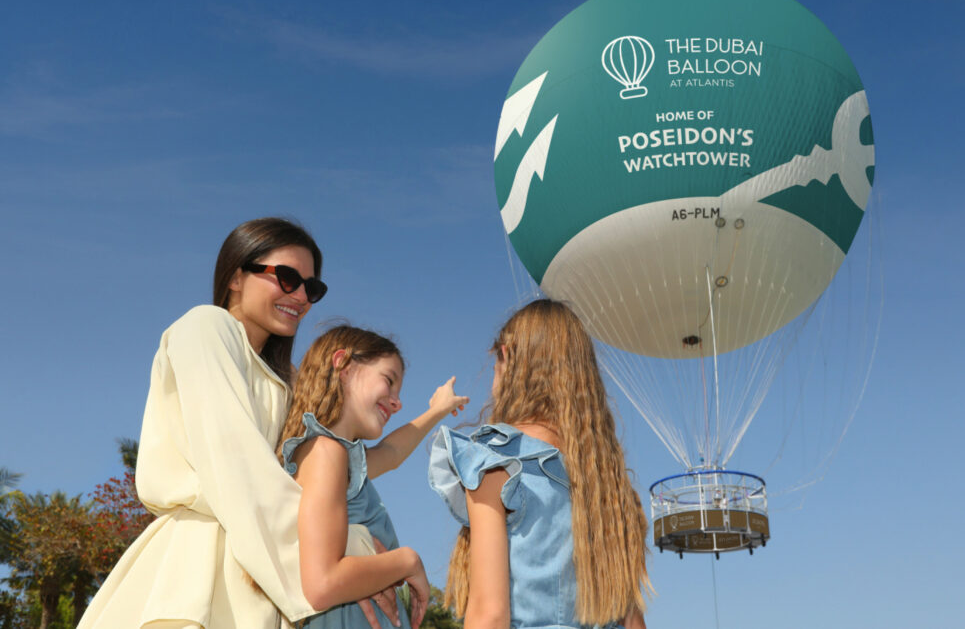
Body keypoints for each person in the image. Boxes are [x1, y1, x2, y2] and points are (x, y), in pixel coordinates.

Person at [78, 217, 391, 629]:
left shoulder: (288, 384)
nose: (300, 296)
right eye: (286, 278)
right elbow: (237, 466)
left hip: (262, 580)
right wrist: (339, 547)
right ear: (236, 277)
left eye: (311, 288)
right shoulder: (206, 327)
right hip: (197, 572)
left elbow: (328, 473)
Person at [428, 299, 650, 629]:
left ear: (507, 358)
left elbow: (490, 615)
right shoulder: (608, 484)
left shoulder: (492, 460)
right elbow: (633, 622)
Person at [277, 323, 468, 629]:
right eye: (388, 381)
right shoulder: (326, 452)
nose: (397, 401)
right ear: (343, 366)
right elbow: (321, 584)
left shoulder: (334, 456)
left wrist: (438, 410)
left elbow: (392, 453)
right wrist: (407, 562)